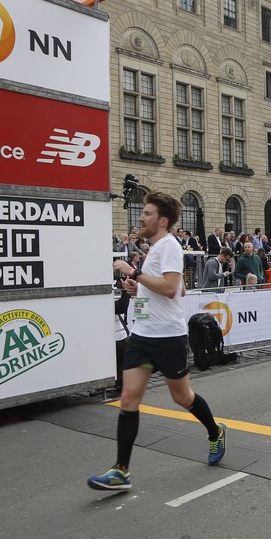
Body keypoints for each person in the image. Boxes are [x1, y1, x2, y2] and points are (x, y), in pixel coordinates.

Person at [88, 192, 227, 492]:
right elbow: (177, 290)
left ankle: (215, 431)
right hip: (142, 336)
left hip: (168, 336)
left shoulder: (170, 246)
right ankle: (121, 471)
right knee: (128, 399)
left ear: (162, 221)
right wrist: (138, 288)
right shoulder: (154, 249)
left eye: (147, 213)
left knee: (182, 397)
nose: (141, 218)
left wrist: (133, 272)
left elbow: (172, 288)